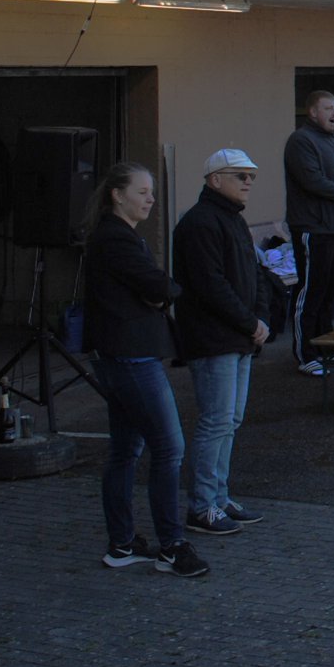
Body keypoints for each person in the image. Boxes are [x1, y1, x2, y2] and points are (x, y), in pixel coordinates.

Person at [82, 162, 206, 578]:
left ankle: (122, 543)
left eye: (151, 191)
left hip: (121, 354)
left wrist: (159, 292)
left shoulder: (116, 236)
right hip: (130, 358)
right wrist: (163, 293)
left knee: (125, 450)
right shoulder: (116, 239)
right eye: (142, 191)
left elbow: (154, 287)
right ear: (117, 195)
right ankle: (171, 546)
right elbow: (159, 285)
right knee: (168, 449)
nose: (151, 198)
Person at [174, 148, 272, 536]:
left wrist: (261, 318)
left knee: (229, 421)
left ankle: (219, 496)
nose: (248, 182)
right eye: (240, 175)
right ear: (215, 180)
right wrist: (251, 322)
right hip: (214, 339)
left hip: (239, 337)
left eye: (251, 176)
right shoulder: (199, 223)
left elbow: (256, 273)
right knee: (216, 422)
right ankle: (202, 505)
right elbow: (210, 285)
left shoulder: (233, 220)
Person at [283, 90, 334, 377]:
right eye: (328, 108)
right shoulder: (300, 141)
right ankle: (305, 354)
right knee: (311, 291)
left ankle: (328, 346)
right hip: (312, 227)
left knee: (330, 292)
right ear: (312, 112)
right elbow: (313, 181)